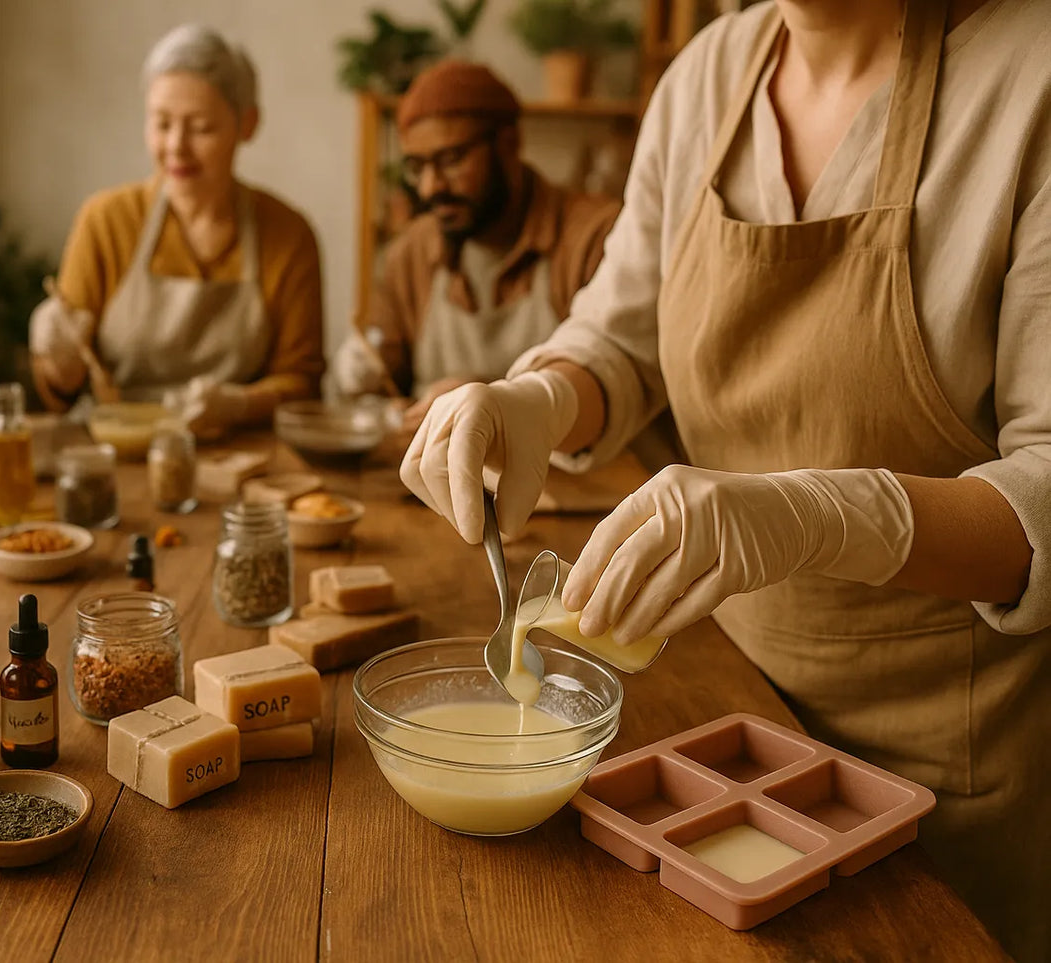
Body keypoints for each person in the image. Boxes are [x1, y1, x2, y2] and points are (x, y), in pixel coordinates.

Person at [399, 1, 1050, 958]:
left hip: (941, 756)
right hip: (722, 711)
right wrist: (537, 397)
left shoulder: (1030, 79)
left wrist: (818, 514)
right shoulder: (704, 75)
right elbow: (618, 338)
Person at [29, 24, 324, 437]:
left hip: (239, 456)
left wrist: (239, 405)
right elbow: (61, 392)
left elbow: (302, 383)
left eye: (201, 127)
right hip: (118, 451)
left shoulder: (288, 235)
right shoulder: (105, 221)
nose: (175, 147)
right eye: (161, 123)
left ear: (248, 124)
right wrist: (59, 368)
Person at [330, 60, 619, 430]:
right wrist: (363, 373)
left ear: (509, 144)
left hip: (562, 480)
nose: (431, 187)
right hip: (433, 479)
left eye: (451, 160)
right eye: (418, 167)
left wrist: (493, 399)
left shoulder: (594, 239)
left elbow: (613, 389)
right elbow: (384, 370)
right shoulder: (414, 250)